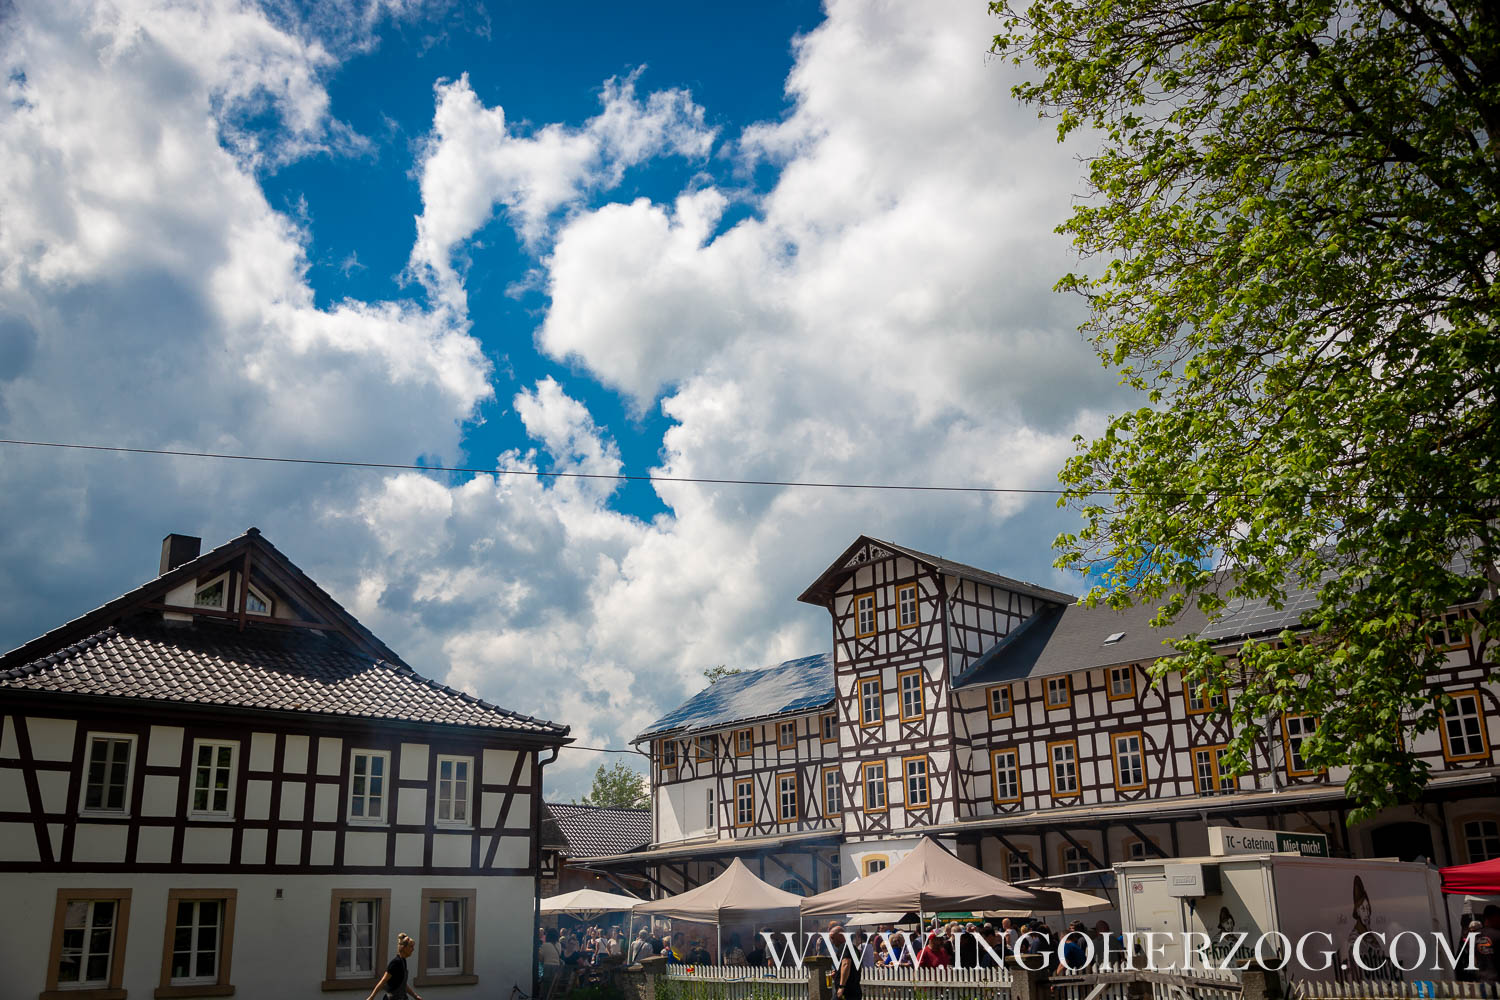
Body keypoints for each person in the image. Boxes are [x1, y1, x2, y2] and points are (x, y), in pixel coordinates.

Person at [365, 931, 423, 1000]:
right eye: (411, 946)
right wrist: (371, 997)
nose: (413, 949)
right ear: (403, 947)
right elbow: (383, 981)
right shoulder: (395, 963)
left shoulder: (403, 961)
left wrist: (415, 996)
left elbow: (402, 984)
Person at [830, 928, 862, 1000]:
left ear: (841, 935)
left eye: (832, 937)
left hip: (846, 992)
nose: (831, 941)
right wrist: (837, 973)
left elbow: (846, 964)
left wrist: (841, 987)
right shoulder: (852, 947)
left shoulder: (845, 946)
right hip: (854, 990)